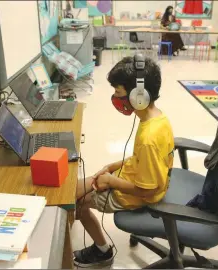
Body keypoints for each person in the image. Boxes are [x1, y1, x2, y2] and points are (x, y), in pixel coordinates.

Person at [74, 55, 174, 267]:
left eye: (118, 92)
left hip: (137, 195)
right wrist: (114, 167)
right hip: (135, 177)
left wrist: (111, 181)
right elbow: (143, 159)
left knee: (76, 203)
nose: (115, 97)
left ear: (139, 97)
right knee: (82, 185)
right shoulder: (157, 119)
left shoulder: (148, 138)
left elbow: (147, 190)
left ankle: (102, 251)